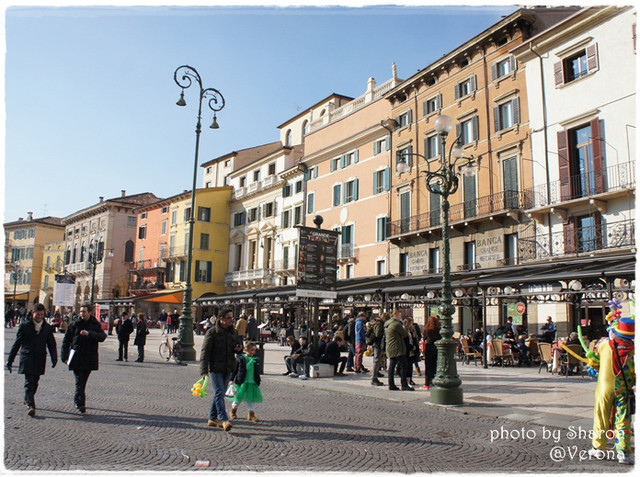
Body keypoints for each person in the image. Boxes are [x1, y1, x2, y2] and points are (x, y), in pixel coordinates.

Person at [589, 317, 635, 465]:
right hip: (624, 389)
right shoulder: (634, 350)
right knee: (623, 420)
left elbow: (593, 360)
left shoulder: (604, 345)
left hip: (604, 387)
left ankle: (598, 448)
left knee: (601, 416)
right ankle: (623, 453)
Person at [6, 303, 58, 417]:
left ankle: (28, 398)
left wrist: (54, 358)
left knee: (35, 382)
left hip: (40, 358)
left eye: (42, 315)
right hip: (27, 357)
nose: (39, 317)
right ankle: (31, 406)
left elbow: (51, 344)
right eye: (37, 314)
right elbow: (17, 344)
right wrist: (10, 360)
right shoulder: (25, 326)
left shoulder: (47, 328)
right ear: (33, 313)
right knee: (29, 382)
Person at [199, 307, 242, 432]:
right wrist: (203, 370)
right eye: (228, 318)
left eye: (232, 318)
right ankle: (224, 419)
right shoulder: (212, 332)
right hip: (215, 367)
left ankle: (212, 418)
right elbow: (205, 352)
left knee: (220, 393)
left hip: (228, 367)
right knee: (219, 392)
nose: (231, 320)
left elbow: (238, 346)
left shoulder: (233, 332)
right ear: (221, 319)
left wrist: (238, 348)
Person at [61, 303, 107, 413]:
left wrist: (89, 334)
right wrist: (64, 356)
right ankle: (80, 404)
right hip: (76, 356)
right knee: (79, 381)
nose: (81, 314)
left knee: (83, 381)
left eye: (84, 311)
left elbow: (102, 337)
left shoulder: (95, 324)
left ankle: (77, 398)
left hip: (89, 357)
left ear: (90, 312)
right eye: (81, 311)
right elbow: (66, 340)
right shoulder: (74, 324)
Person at [228, 341, 263, 422]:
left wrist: (258, 380)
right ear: (246, 350)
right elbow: (235, 370)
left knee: (250, 399)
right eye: (252, 350)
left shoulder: (255, 359)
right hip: (242, 382)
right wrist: (231, 379)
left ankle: (251, 414)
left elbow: (257, 371)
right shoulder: (240, 358)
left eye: (254, 350)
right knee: (238, 398)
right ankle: (233, 411)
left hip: (252, 382)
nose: (253, 352)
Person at [385, 310, 412, 391]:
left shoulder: (388, 323)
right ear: (395, 315)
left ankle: (391, 384)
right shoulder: (396, 324)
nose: (401, 317)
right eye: (399, 315)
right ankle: (404, 384)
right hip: (397, 348)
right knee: (404, 364)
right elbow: (405, 334)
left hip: (391, 347)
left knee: (392, 366)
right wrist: (405, 327)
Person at [370, 312, 388, 386]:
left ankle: (376, 373)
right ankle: (374, 378)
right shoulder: (379, 324)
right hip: (377, 344)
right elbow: (377, 334)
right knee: (376, 360)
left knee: (377, 360)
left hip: (377, 344)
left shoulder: (378, 323)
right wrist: (384, 333)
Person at [423, 315, 441, 389]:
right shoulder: (438, 329)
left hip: (429, 348)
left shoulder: (427, 329)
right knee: (435, 365)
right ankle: (434, 381)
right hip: (436, 348)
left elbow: (424, 338)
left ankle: (427, 383)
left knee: (428, 366)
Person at [403, 317, 420, 387]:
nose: (412, 325)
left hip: (412, 351)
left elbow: (414, 338)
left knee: (410, 366)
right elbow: (405, 341)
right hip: (407, 350)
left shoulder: (412, 330)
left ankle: (409, 380)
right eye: (411, 323)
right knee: (407, 366)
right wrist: (411, 347)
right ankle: (406, 381)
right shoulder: (404, 330)